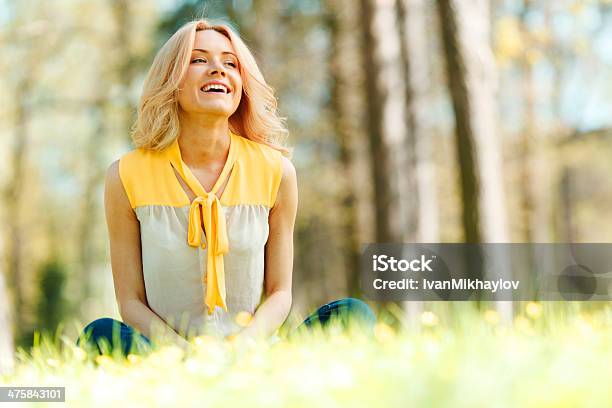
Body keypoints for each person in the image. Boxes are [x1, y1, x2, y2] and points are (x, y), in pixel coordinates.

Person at [77, 19, 375, 357]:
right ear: (171, 79)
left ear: (241, 83)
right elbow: (130, 302)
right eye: (199, 60)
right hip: (167, 356)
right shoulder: (124, 176)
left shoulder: (277, 173)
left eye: (230, 63)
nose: (218, 69)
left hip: (253, 354)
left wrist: (241, 351)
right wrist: (186, 355)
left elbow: (280, 293)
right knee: (99, 334)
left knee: (353, 314)